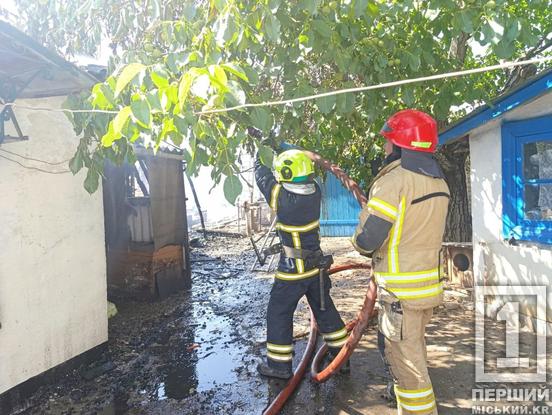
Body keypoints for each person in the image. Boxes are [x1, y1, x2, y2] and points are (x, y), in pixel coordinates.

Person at [352, 110, 450, 415]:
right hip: (426, 289)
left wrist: (360, 232)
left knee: (409, 371)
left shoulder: (393, 182)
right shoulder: (439, 181)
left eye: (388, 141)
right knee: (413, 352)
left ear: (399, 144)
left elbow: (367, 240)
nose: (384, 147)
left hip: (400, 295)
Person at [254, 147, 349, 379]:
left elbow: (262, 177)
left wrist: (260, 153)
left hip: (293, 271)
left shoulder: (281, 197)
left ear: (287, 173)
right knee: (325, 310)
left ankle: (279, 366)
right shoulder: (315, 190)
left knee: (278, 312)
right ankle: (341, 357)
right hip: (316, 268)